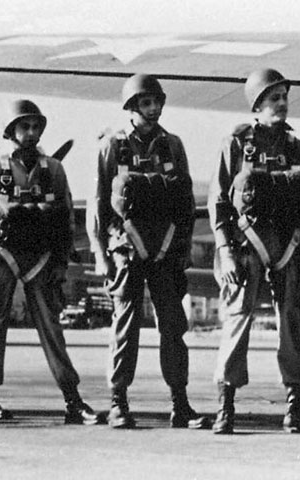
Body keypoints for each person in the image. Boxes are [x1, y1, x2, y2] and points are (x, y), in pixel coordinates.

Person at [0, 99, 101, 425]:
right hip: (2, 257)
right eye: (24, 127)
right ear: (11, 130)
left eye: (36, 127)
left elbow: (66, 219)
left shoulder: (54, 169)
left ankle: (72, 399)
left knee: (53, 331)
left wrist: (61, 262)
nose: (31, 133)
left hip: (41, 260)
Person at [88, 74, 210, 429]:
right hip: (126, 248)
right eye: (145, 103)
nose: (153, 108)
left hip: (166, 250)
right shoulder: (113, 146)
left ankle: (180, 403)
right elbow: (99, 205)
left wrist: (183, 248)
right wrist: (100, 252)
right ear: (132, 107)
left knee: (173, 325)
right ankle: (118, 402)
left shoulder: (173, 145)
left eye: (156, 102)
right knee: (126, 325)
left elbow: (185, 204)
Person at [208, 68, 300, 435]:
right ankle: (226, 405)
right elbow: (219, 202)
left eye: (285, 97)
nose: (282, 103)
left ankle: (294, 407)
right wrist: (225, 252)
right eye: (274, 98)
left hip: (288, 248)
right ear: (257, 105)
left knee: (290, 324)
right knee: (238, 320)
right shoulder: (236, 144)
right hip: (245, 248)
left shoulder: (296, 148)